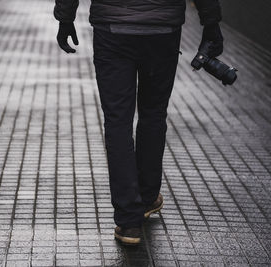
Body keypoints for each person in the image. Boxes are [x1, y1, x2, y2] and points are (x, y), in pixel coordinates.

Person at [53, 0, 224, 245]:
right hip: (163, 31)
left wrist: (65, 17)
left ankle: (128, 220)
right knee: (154, 114)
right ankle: (146, 198)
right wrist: (211, 22)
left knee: (117, 122)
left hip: (113, 30)